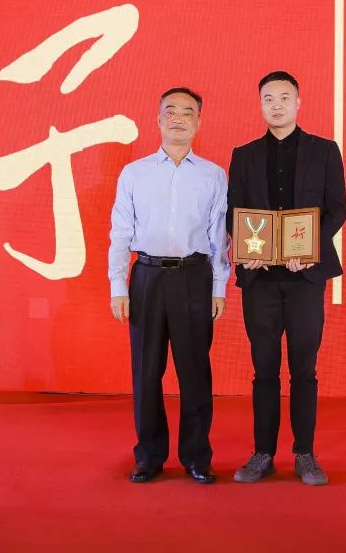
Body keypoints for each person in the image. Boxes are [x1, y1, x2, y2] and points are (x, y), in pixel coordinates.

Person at [227, 71, 346, 486]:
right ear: (260, 104)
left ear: (298, 103)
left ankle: (305, 454)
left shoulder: (324, 151)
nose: (276, 105)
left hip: (305, 280)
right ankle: (262, 453)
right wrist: (248, 251)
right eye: (268, 98)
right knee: (263, 369)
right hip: (259, 280)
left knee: (304, 369)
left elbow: (337, 209)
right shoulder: (244, 155)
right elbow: (234, 211)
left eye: (284, 97)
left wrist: (308, 249)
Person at [107, 87, 229, 484]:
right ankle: (148, 456)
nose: (178, 118)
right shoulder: (134, 173)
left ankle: (196, 457)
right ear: (158, 119)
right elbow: (120, 232)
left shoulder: (213, 175)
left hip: (194, 277)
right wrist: (118, 285)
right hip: (147, 277)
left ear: (199, 122)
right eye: (170, 111)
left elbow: (219, 237)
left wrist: (219, 287)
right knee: (146, 372)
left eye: (188, 112)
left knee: (195, 371)